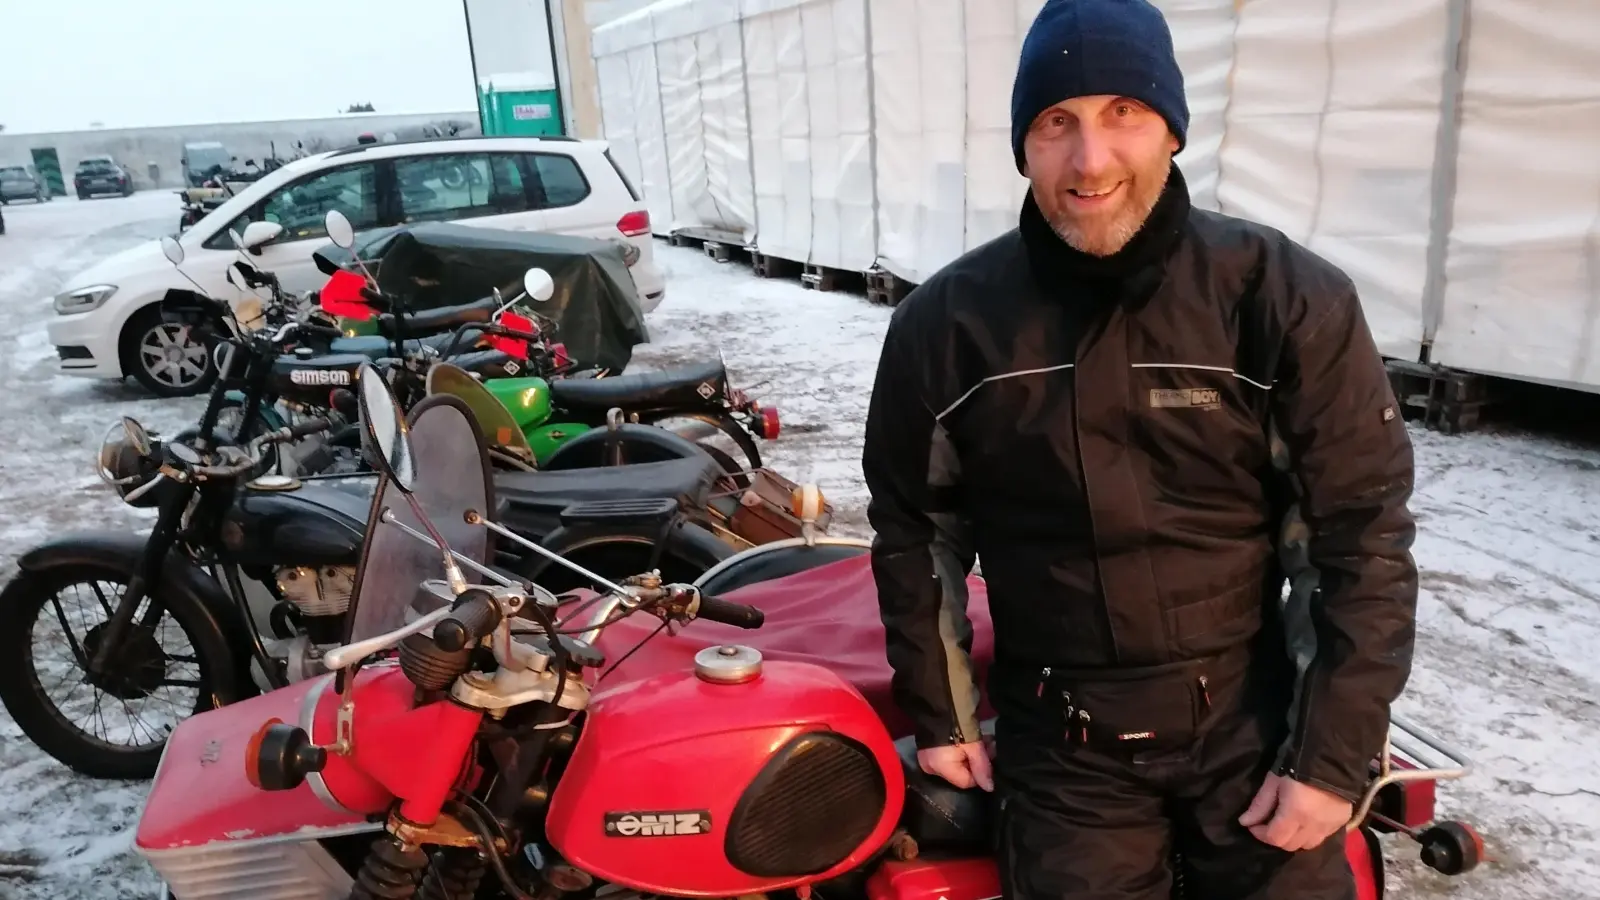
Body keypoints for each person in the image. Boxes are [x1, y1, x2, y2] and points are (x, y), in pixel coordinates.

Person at [859, 0, 1419, 897]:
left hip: (1253, 727)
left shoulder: (1280, 299)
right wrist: (943, 715)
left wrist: (1328, 759)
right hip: (1062, 752)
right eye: (1056, 123)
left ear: (1172, 131)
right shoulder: (946, 326)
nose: (1090, 159)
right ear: (1023, 145)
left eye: (1124, 112)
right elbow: (914, 529)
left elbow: (1359, 539)